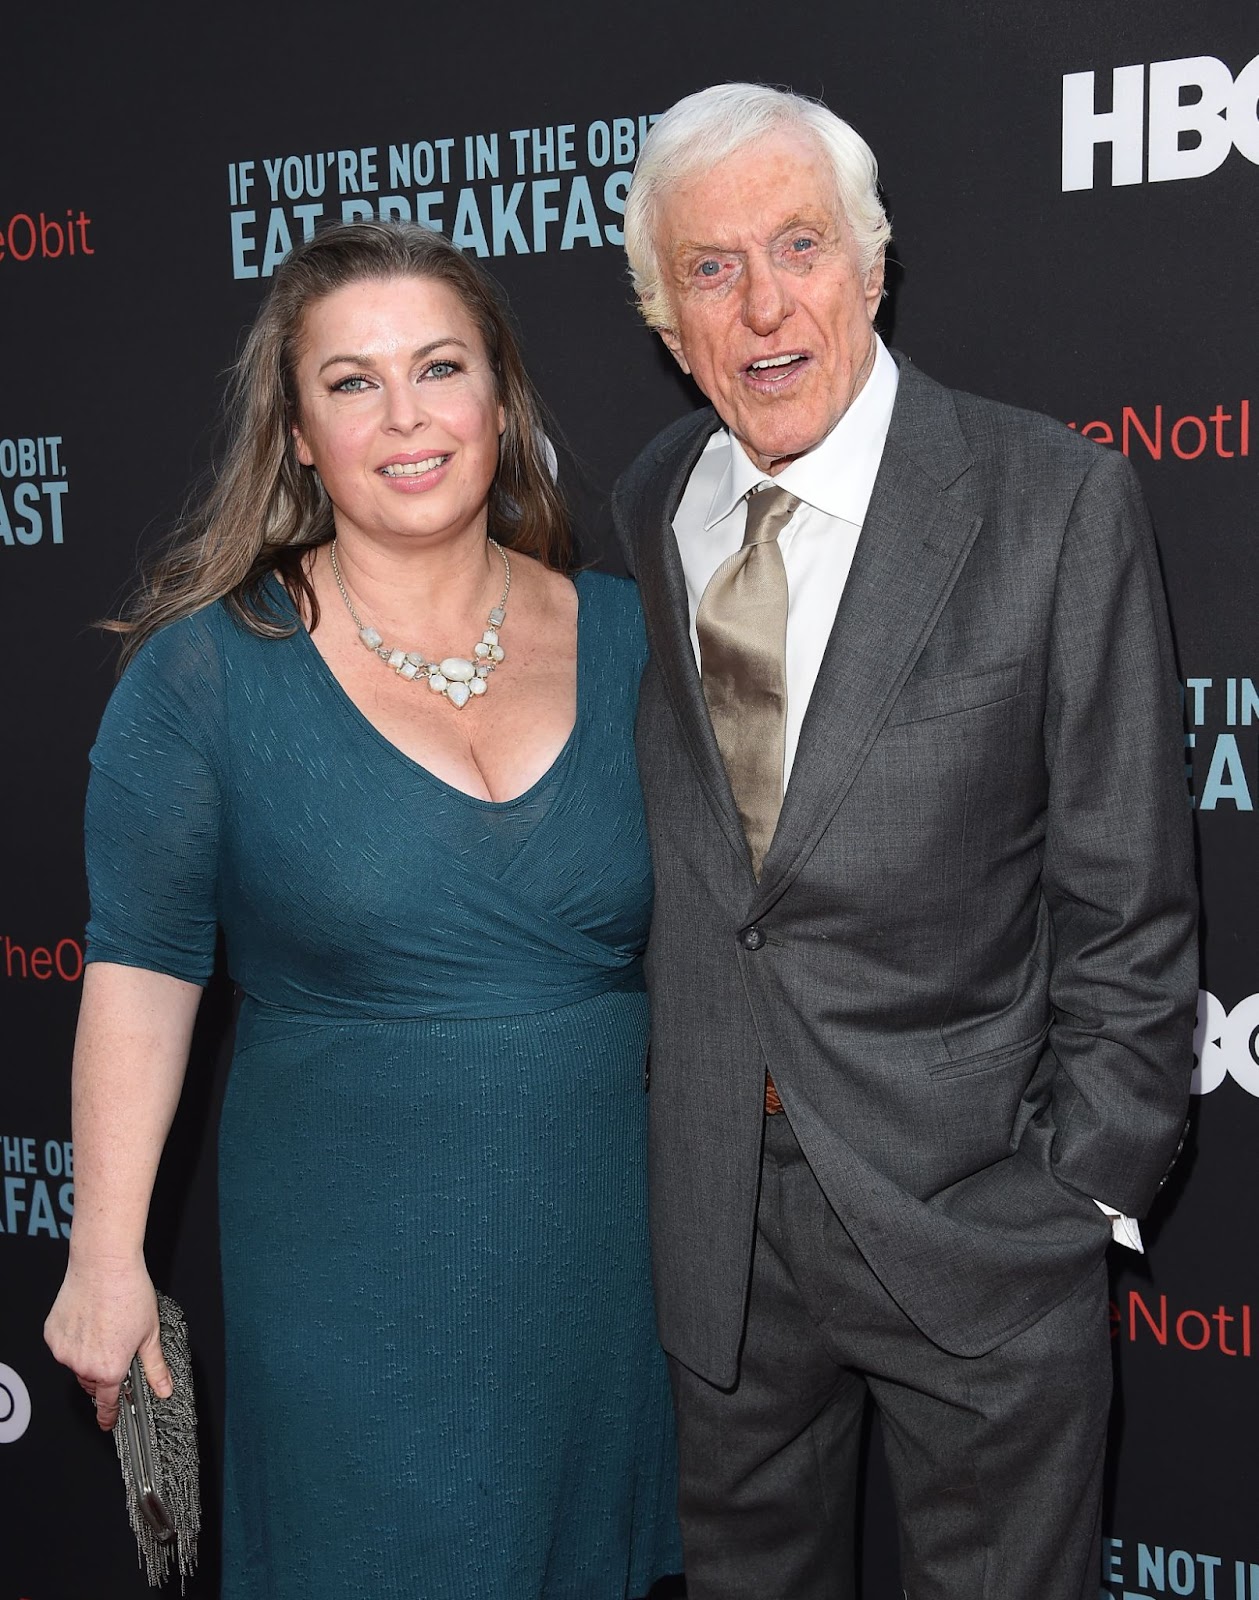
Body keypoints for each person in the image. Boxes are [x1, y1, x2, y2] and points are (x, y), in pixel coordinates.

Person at [614, 83, 1197, 1600]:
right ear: (668, 322)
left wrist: (1080, 1192)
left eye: (798, 244)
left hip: (978, 1218)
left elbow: (1128, 893)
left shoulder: (1052, 500)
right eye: (712, 268)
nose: (762, 305)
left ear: (872, 266)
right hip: (720, 1229)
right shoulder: (649, 506)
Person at [44, 220, 681, 1600]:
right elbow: (142, 973)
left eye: (439, 367)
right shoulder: (207, 677)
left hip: (605, 1264)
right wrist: (104, 1255)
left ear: (500, 402)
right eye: (351, 382)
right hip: (351, 1275)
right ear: (293, 432)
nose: (406, 417)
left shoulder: (636, 637)